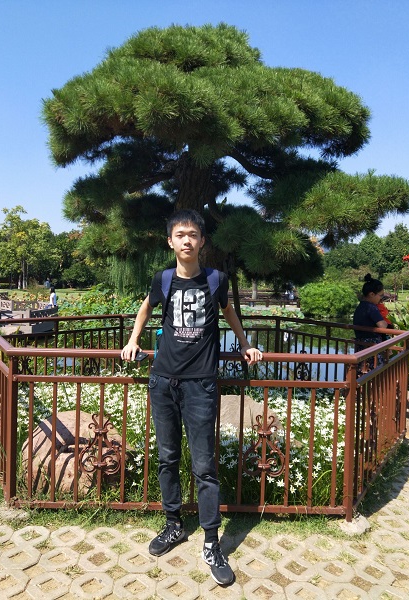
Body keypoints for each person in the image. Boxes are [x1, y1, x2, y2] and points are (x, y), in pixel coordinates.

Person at [121, 209, 262, 586]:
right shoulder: (163, 279)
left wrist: (245, 344)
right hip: (163, 381)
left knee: (204, 466)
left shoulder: (216, 279)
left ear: (202, 241)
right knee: (167, 457)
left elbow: (229, 313)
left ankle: (212, 543)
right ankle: (173, 525)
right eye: (180, 235)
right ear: (170, 241)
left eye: (193, 235)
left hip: (201, 384)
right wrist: (133, 340)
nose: (187, 240)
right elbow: (146, 307)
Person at [353, 274, 389, 371]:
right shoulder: (371, 307)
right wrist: (386, 320)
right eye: (380, 295)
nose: (381, 298)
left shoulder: (361, 306)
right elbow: (383, 326)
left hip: (361, 345)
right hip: (372, 346)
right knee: (376, 372)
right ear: (372, 294)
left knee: (362, 372)